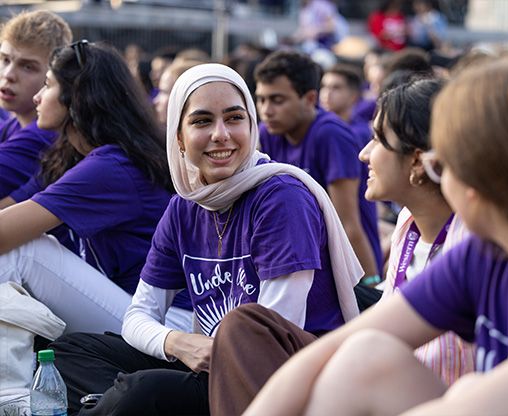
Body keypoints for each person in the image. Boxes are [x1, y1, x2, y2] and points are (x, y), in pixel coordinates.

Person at [245, 59, 508, 415]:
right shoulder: (488, 251)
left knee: (464, 390)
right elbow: (331, 351)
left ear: (475, 179)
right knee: (365, 354)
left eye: (438, 166)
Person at [50, 63, 362, 415]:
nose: (221, 134)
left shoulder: (281, 197)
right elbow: (138, 316)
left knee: (139, 392)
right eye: (201, 121)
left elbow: (274, 331)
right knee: (73, 351)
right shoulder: (185, 207)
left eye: (234, 118)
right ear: (179, 138)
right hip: (209, 362)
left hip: (279, 377)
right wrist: (181, 343)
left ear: (250, 126)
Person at [0, 41, 192, 335]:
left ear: (75, 97)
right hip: (130, 309)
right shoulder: (72, 155)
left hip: (166, 323)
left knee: (25, 252)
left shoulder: (111, 166)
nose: (38, 97)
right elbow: (10, 212)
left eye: (48, 86)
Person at [363, 78, 474, 384]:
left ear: (416, 159)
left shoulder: (471, 241)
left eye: (377, 140)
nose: (364, 154)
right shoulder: (408, 222)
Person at [255, 50, 383, 286]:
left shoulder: (331, 135)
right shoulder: (267, 132)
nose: (266, 110)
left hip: (353, 267)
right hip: (308, 263)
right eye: (261, 99)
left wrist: (372, 286)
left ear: (310, 99)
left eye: (277, 100)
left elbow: (348, 224)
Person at [0, 10, 71, 201]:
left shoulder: (45, 135)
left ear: (54, 77)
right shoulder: (14, 123)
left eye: (27, 66)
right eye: (5, 59)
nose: (8, 74)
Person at [320, 63, 371, 146]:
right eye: (324, 86)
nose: (327, 93)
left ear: (353, 96)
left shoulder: (360, 133)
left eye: (336, 88)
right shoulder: (312, 127)